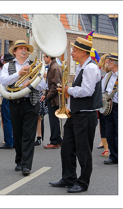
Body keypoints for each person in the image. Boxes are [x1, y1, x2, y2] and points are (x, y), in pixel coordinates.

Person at [49, 37, 102, 193]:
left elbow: (87, 91)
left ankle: (83, 182)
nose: (71, 53)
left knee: (83, 151)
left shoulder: (90, 68)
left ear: (83, 52)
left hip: (86, 115)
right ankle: (68, 178)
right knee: (67, 147)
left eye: (74, 51)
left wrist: (68, 90)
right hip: (76, 114)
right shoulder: (82, 67)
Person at [0, 40, 47, 176]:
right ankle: (19, 160)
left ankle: (26, 165)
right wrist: (19, 74)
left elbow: (43, 85)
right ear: (15, 52)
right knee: (18, 134)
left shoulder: (35, 65)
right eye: (20, 48)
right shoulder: (7, 66)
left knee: (28, 134)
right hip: (14, 102)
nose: (23, 50)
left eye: (25, 48)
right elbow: (3, 81)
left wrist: (31, 83)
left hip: (31, 103)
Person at [43, 54, 63, 149]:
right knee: (54, 120)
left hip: (53, 99)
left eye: (44, 57)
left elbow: (56, 85)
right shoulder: (53, 66)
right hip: (52, 97)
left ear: (49, 57)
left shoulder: (54, 67)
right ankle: (58, 139)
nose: (43, 58)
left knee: (53, 120)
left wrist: (48, 96)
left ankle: (54, 141)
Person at [0, 53, 14, 149]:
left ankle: (9, 142)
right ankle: (14, 141)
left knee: (7, 121)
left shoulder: (2, 71)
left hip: (7, 96)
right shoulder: (15, 68)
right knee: (14, 120)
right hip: (15, 96)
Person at [102, 53, 118, 165]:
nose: (107, 63)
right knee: (110, 132)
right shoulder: (108, 76)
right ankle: (114, 156)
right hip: (109, 106)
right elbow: (102, 89)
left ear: (115, 63)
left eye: (109, 61)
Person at [97, 54, 110, 157]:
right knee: (104, 125)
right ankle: (106, 146)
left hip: (113, 104)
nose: (108, 63)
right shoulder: (105, 75)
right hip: (105, 103)